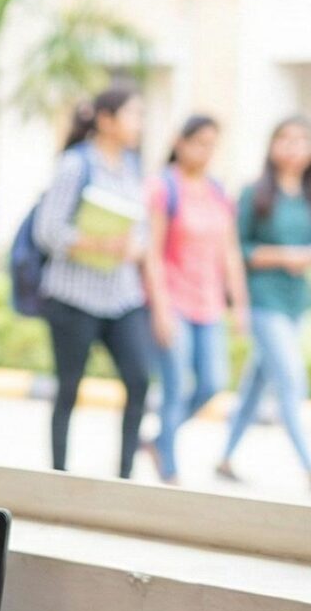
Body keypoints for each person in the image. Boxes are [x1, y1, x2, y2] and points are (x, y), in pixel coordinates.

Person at [30, 85, 159, 479]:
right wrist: (100, 242)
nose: (138, 123)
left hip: (121, 296)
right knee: (69, 388)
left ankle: (124, 477)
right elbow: (47, 231)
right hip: (74, 297)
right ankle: (59, 475)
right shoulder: (76, 164)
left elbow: (140, 228)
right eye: (132, 114)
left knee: (138, 381)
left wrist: (134, 247)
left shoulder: (133, 166)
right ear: (106, 119)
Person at [219, 115, 311, 491]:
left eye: (302, 139)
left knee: (256, 383)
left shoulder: (309, 196)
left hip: (294, 301)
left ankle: (224, 458)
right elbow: (237, 249)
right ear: (271, 146)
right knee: (290, 378)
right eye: (285, 138)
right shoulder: (255, 193)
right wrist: (286, 255)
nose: (293, 146)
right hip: (263, 299)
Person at [141, 114, 251, 485]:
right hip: (173, 302)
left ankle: (158, 441)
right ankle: (169, 470)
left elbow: (230, 252)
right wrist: (159, 309)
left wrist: (240, 306)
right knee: (175, 387)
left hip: (209, 305)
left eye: (211, 144)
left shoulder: (218, 191)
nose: (205, 151)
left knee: (212, 383)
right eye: (199, 142)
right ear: (180, 142)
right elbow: (152, 253)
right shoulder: (163, 187)